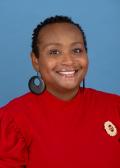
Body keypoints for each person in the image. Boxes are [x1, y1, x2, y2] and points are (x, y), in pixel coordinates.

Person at [0, 15, 120, 168]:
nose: (69, 61)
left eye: (77, 50)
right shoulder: (12, 120)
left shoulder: (115, 106)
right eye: (54, 52)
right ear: (35, 60)